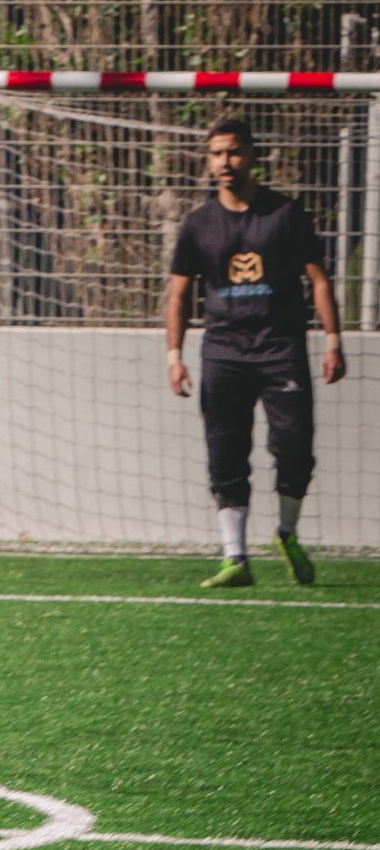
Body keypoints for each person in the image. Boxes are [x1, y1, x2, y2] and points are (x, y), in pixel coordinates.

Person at [165, 116, 346, 588]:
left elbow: (319, 280)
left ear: (252, 156)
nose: (225, 162)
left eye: (234, 152)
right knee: (225, 453)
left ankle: (286, 533)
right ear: (209, 162)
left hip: (280, 348)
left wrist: (332, 340)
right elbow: (179, 294)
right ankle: (235, 556)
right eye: (217, 154)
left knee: (294, 448)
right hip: (223, 352)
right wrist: (174, 354)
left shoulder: (285, 215)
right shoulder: (198, 224)